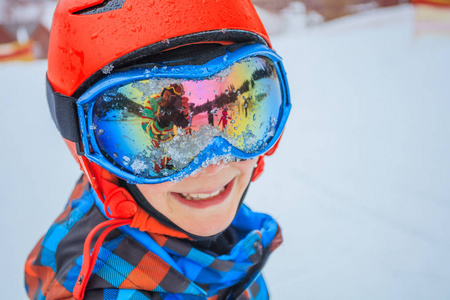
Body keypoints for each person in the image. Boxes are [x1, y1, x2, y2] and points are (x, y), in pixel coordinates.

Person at [24, 0, 291, 299]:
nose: (213, 161)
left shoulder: (226, 242)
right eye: (158, 136)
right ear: (91, 152)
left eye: (240, 110)